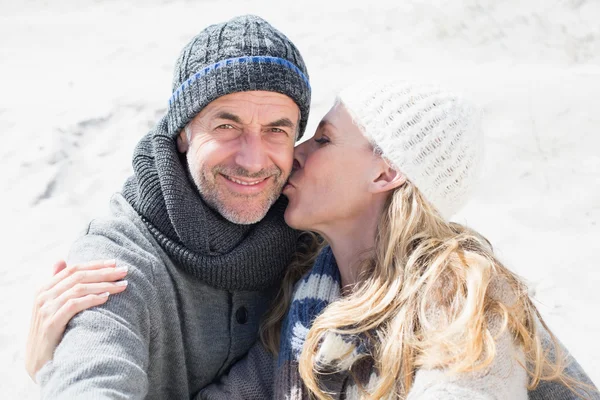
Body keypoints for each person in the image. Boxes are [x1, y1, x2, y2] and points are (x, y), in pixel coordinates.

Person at [29, 79, 599, 399]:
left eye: (322, 139)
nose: (293, 154)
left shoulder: (458, 303)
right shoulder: (312, 304)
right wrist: (50, 370)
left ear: (385, 173)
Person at [26, 14, 311, 399]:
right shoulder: (113, 260)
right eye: (227, 127)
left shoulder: (313, 238)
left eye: (276, 130)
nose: (253, 160)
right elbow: (92, 373)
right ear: (183, 132)